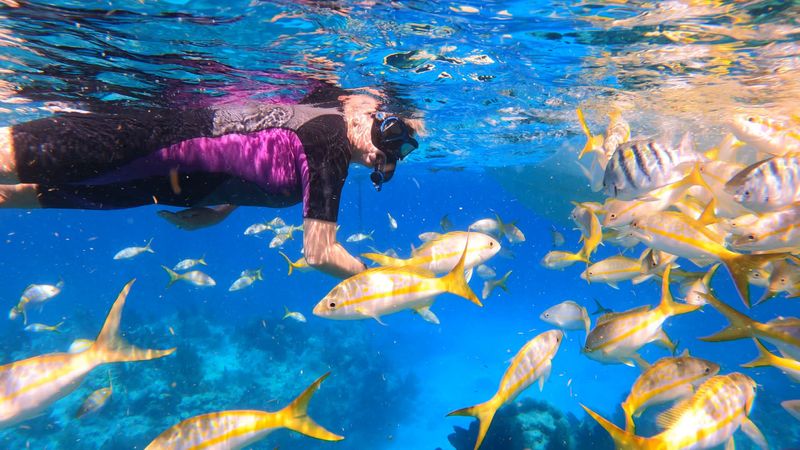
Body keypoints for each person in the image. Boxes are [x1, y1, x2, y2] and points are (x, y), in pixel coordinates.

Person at [0, 83, 422, 278]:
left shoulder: (331, 151)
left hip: (151, 185)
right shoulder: (332, 140)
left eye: (401, 151)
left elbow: (263, 153)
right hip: (146, 143)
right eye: (392, 132)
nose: (388, 151)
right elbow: (319, 253)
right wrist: (376, 280)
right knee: (7, 158)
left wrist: (222, 209)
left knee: (9, 195)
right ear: (368, 114)